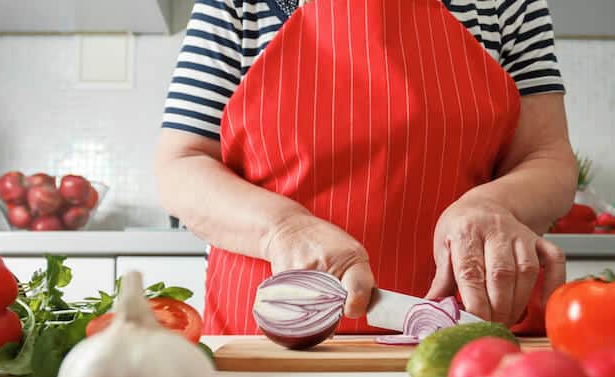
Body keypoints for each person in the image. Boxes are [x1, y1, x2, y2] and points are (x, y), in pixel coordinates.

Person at [154, 0, 577, 334]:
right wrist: (285, 230)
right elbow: (182, 163)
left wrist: (495, 205)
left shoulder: (504, 4)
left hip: (461, 332)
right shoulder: (238, 4)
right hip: (266, 336)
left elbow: (546, 156)